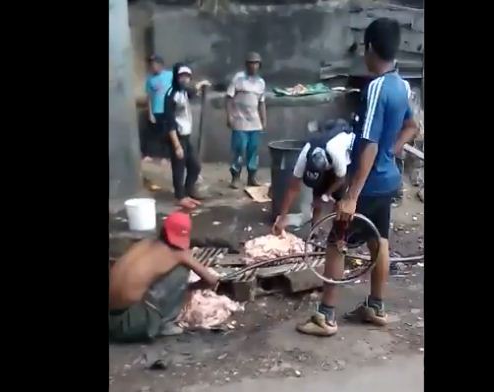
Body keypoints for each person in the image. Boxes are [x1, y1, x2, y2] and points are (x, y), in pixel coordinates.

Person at [286, 18, 419, 336]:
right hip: (388, 180)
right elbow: (413, 127)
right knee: (379, 241)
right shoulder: (402, 86)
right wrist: (394, 149)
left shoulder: (376, 89)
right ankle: (375, 306)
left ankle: (325, 317)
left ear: (370, 47)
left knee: (337, 243)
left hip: (368, 183)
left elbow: (369, 145)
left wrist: (351, 194)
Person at [109, 211, 220, 342]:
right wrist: (188, 288)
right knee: (181, 270)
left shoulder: (144, 243)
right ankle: (163, 324)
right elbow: (211, 280)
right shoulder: (178, 254)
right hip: (124, 325)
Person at [272, 119, 355, 230]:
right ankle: (314, 232)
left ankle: (338, 236)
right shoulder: (306, 154)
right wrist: (282, 218)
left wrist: (326, 195)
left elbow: (340, 180)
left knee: (340, 201)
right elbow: (293, 187)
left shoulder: (337, 155)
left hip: (348, 154)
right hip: (326, 153)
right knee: (317, 198)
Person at [163, 63, 210, 205]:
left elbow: (193, 90)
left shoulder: (184, 92)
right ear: (176, 77)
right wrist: (176, 145)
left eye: (187, 76)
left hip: (186, 137)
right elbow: (169, 123)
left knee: (195, 166)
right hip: (176, 137)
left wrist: (201, 85)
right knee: (178, 168)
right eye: (182, 76)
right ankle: (180, 197)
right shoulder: (171, 95)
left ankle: (187, 191)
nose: (185, 79)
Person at [226, 52, 267, 189]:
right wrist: (229, 116)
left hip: (254, 122)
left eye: (256, 63)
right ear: (246, 65)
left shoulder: (261, 83)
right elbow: (229, 98)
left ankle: (252, 177)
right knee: (238, 149)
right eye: (251, 63)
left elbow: (261, 102)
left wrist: (264, 120)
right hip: (239, 121)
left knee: (253, 150)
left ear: (259, 65)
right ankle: (235, 177)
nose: (253, 66)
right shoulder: (238, 78)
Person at [144, 55, 173, 162]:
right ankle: (149, 155)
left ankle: (165, 156)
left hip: (168, 109)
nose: (152, 67)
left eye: (154, 64)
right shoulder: (150, 79)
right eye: (151, 65)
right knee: (152, 134)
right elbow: (149, 97)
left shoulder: (170, 75)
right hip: (156, 110)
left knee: (167, 134)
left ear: (160, 65)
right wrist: (150, 113)